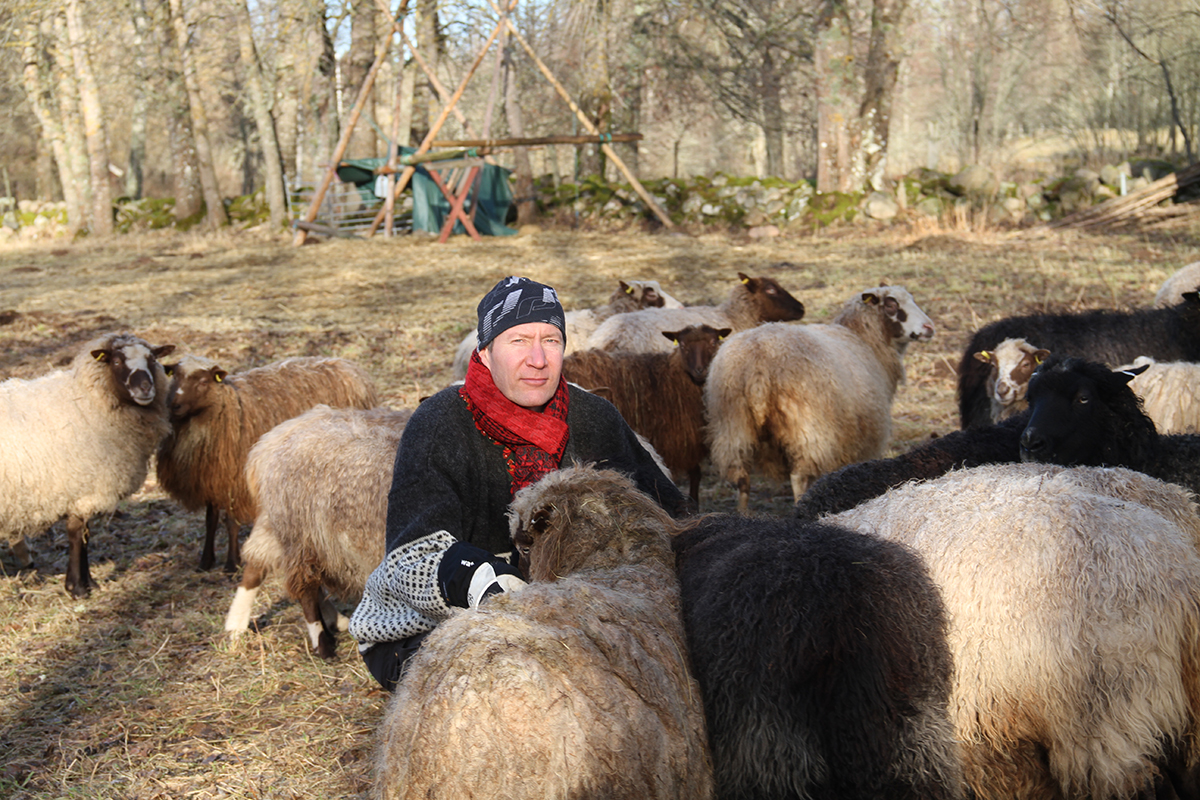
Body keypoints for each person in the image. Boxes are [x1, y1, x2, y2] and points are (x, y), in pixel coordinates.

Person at [349, 275, 688, 691]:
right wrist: (483, 580)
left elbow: (670, 514)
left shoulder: (594, 418)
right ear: (486, 352)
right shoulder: (441, 424)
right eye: (518, 341)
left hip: (573, 611)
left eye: (550, 340)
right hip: (438, 622)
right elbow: (409, 556)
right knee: (516, 687)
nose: (538, 359)